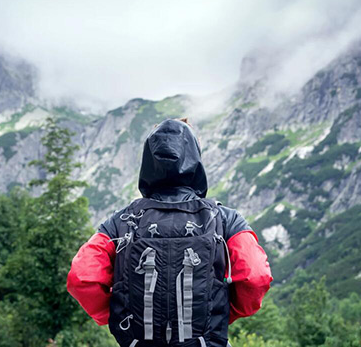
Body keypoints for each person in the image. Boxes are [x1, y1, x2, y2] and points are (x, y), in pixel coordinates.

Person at [67, 118, 272, 347]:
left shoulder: (120, 221)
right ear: (194, 157)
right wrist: (220, 313)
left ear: (149, 159)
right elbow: (256, 277)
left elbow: (81, 277)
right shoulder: (226, 219)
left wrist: (119, 314)